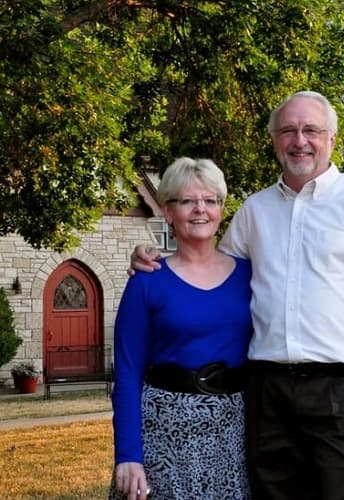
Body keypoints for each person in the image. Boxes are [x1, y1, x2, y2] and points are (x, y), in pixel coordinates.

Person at [132, 91, 344, 500]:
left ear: (331, 139)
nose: (299, 140)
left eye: (311, 130)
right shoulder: (255, 210)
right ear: (274, 141)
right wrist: (153, 258)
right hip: (268, 391)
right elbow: (209, 268)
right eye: (288, 131)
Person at [112, 158, 253, 500]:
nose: (200, 210)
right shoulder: (147, 281)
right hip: (163, 428)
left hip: (234, 428)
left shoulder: (251, 275)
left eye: (210, 200)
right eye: (187, 201)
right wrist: (128, 455)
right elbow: (127, 373)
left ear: (222, 208)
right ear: (167, 211)